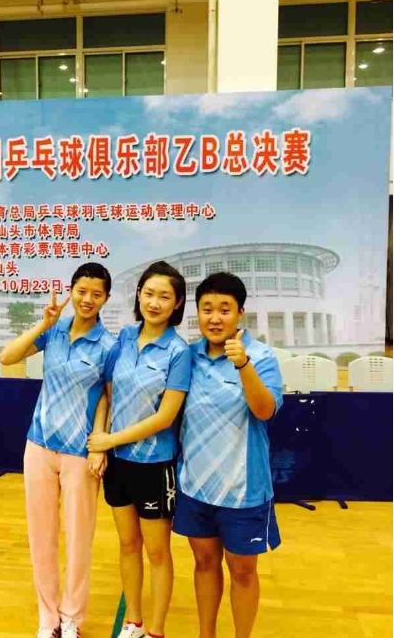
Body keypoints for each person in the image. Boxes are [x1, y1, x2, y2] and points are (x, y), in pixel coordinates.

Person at [0, 263, 116, 638]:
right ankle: (47, 617)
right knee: (42, 537)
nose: (87, 299)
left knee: (79, 539)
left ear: (106, 298)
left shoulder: (109, 345)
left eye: (96, 293)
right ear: (71, 291)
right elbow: (7, 357)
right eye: (81, 291)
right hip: (38, 445)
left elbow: (107, 397)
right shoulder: (54, 331)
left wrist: (99, 444)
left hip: (80, 453)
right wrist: (43, 324)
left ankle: (71, 619)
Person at [173, 271, 283, 638]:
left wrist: (243, 365)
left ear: (240, 314)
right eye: (207, 309)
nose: (215, 318)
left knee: (243, 572)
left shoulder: (261, 356)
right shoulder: (188, 356)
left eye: (224, 309)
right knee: (204, 563)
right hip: (195, 485)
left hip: (243, 490)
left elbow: (265, 411)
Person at [87, 261, 191, 638]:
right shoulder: (126, 338)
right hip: (118, 464)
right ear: (138, 295)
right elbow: (108, 393)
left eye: (164, 296)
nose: (154, 302)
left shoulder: (179, 352)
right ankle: (133, 621)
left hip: (154, 465)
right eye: (149, 293)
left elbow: (165, 417)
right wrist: (99, 443)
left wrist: (110, 440)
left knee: (157, 552)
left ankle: (156, 630)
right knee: (128, 544)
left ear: (177, 303)